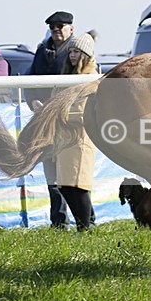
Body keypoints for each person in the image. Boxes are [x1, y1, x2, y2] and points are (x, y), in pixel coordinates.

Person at [26, 11, 76, 229]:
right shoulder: (41, 51)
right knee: (52, 174)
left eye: (61, 26)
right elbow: (30, 80)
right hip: (45, 120)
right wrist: (33, 101)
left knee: (74, 173)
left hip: (70, 120)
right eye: (53, 27)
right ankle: (58, 221)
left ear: (71, 28)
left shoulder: (77, 51)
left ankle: (86, 220)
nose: (56, 30)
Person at [53, 31, 99, 231]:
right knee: (65, 185)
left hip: (80, 136)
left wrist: (64, 116)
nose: (72, 55)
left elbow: (86, 111)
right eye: (70, 51)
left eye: (77, 51)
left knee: (78, 185)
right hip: (64, 137)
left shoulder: (91, 78)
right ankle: (84, 225)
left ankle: (85, 227)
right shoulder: (66, 76)